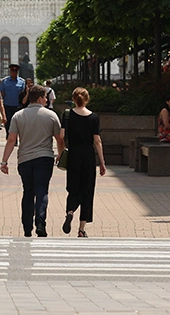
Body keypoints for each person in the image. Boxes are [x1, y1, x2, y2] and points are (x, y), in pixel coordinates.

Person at [0, 85, 64, 237]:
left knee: (28, 191)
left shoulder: (18, 115)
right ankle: (40, 223)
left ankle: (27, 226)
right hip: (45, 157)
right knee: (42, 190)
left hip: (25, 159)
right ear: (41, 98)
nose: (47, 100)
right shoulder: (51, 115)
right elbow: (59, 139)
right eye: (46, 97)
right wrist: (61, 154)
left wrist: (4, 161)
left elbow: (11, 139)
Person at [62, 87, 106, 237]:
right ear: (87, 99)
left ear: (73, 99)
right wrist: (102, 161)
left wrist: (61, 152)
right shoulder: (93, 117)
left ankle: (70, 210)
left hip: (73, 155)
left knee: (73, 187)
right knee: (88, 190)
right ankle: (81, 229)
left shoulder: (67, 115)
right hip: (88, 156)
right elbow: (97, 140)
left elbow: (62, 135)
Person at [0, 63, 26, 132]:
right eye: (12, 71)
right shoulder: (5, 81)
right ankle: (9, 137)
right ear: (10, 71)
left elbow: (24, 94)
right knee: (8, 123)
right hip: (7, 105)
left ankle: (15, 139)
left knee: (18, 123)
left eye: (15, 71)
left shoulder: (22, 82)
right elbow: (1, 93)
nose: (14, 73)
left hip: (18, 106)